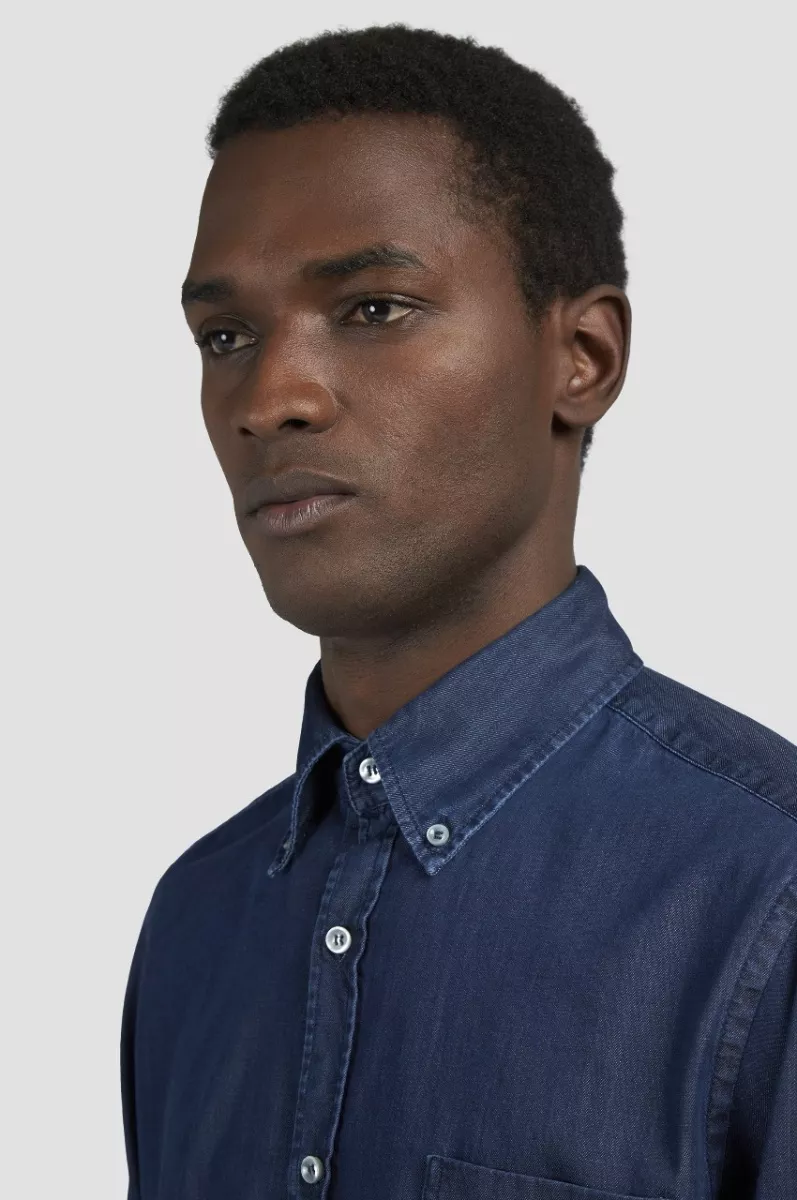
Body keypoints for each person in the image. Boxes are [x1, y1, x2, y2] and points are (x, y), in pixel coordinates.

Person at [120, 23, 797, 1200]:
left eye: (373, 309)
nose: (267, 397)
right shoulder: (195, 923)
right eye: (224, 336)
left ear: (580, 357)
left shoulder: (765, 892)